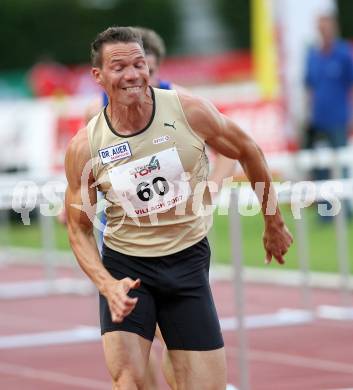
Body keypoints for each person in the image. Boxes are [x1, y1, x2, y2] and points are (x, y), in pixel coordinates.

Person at [65, 26, 293, 389]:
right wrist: (107, 285)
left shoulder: (188, 110)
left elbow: (248, 150)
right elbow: (77, 226)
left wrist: (273, 222)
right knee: (131, 380)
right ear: (99, 76)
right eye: (119, 67)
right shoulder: (86, 144)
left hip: (186, 262)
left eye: (139, 65)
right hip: (128, 266)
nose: (132, 75)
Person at [304, 12, 353, 219]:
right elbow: (309, 87)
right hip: (318, 119)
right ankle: (325, 214)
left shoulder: (343, 53)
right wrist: (308, 115)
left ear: (333, 28)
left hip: (338, 118)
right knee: (320, 167)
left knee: (340, 166)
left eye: (326, 26)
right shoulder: (312, 54)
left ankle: (345, 210)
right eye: (320, 27)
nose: (323, 30)